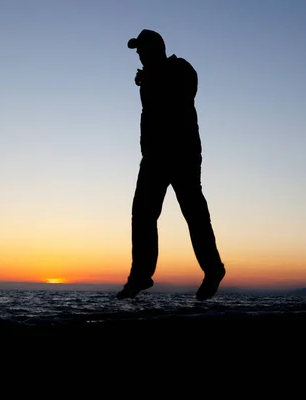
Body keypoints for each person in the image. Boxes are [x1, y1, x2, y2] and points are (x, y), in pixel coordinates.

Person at [116, 29, 226, 301]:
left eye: (142, 50)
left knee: (193, 212)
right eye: (137, 51)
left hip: (181, 154)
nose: (139, 55)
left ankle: (213, 269)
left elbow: (180, 95)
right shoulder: (151, 78)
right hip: (154, 157)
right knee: (142, 213)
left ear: (155, 49)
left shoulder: (181, 69)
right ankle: (141, 274)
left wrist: (151, 78)